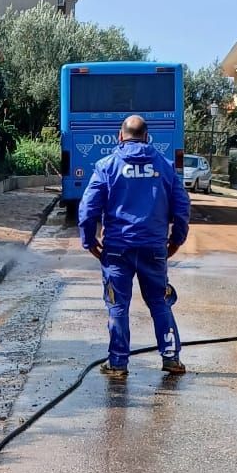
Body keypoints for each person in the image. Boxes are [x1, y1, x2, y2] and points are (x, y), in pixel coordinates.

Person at [77, 115, 191, 380]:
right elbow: (182, 208)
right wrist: (176, 240)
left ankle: (117, 363)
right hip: (153, 247)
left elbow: (87, 209)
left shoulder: (107, 166)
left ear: (120, 136)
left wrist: (89, 241)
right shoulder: (165, 166)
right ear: (147, 137)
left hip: (117, 249)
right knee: (160, 304)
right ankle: (171, 358)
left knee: (117, 306)